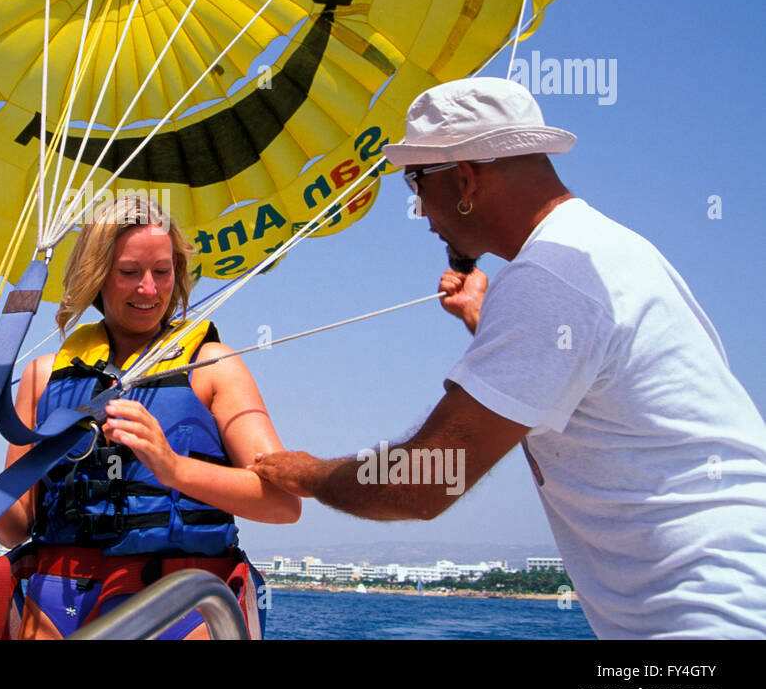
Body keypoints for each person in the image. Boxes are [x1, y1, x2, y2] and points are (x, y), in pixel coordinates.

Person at [251, 76, 766, 638]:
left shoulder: (549, 278)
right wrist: (483, 320)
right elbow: (574, 377)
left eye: (416, 184)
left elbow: (420, 484)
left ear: (465, 178)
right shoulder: (602, 250)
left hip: (708, 621)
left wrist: (303, 471)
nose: (421, 211)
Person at [0, 195, 300, 639]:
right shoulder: (42, 377)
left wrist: (173, 468)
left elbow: (282, 504)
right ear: (97, 276)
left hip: (181, 598)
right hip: (60, 597)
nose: (150, 290)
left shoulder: (214, 366)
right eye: (130, 272)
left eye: (163, 271)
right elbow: (17, 527)